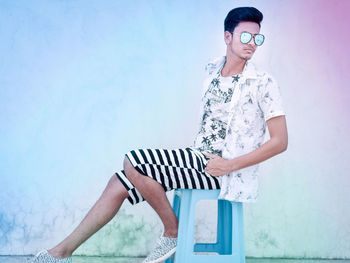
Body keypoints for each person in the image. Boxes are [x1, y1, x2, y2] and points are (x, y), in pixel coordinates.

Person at [31, 6, 288, 263]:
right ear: (227, 37)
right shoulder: (212, 69)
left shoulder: (263, 83)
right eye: (245, 36)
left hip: (225, 169)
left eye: (257, 38)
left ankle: (173, 231)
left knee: (133, 161)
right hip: (197, 158)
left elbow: (280, 142)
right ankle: (61, 253)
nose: (252, 44)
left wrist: (228, 165)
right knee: (118, 182)